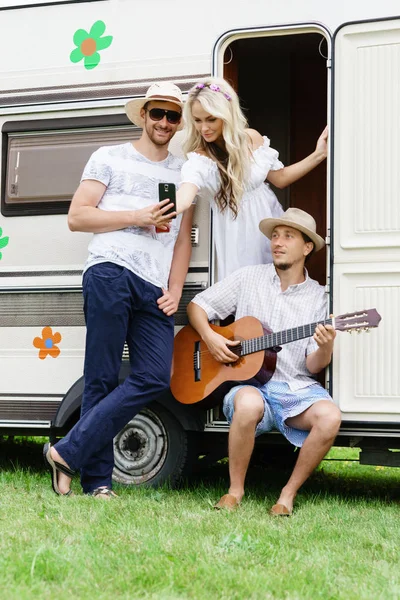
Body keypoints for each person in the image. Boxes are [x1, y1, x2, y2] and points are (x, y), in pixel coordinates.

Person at [43, 82, 194, 499]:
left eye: (173, 115)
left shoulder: (185, 174)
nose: (164, 122)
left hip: (155, 286)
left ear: (180, 123)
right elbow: (78, 217)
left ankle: (66, 452)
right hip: (110, 271)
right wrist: (137, 215)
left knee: (153, 376)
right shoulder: (109, 156)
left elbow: (182, 239)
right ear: (143, 115)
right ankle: (98, 483)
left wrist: (176, 288)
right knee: (102, 378)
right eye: (157, 113)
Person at [187, 207, 341, 516]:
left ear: (307, 247)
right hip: (248, 386)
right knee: (248, 404)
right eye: (275, 235)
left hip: (295, 388)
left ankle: (287, 494)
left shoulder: (319, 298)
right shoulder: (248, 278)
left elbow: (313, 366)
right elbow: (197, 306)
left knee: (330, 417)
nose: (278, 242)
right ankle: (235, 490)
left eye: (288, 236)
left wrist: (326, 347)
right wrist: (212, 338)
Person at [175, 77, 328, 280]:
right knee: (249, 292)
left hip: (269, 231)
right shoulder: (200, 159)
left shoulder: (251, 139)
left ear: (226, 115)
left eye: (211, 119)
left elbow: (280, 179)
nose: (203, 128)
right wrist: (166, 209)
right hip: (237, 242)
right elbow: (186, 193)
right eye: (197, 120)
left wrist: (319, 154)